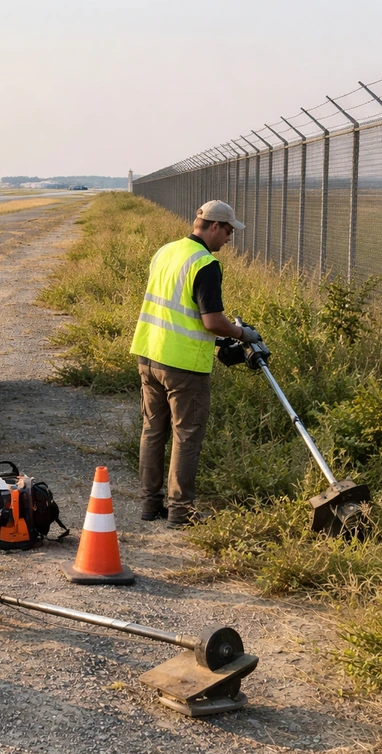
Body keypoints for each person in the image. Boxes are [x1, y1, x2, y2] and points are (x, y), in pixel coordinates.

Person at [129, 200, 260, 527]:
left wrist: (218, 338)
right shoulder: (205, 264)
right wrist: (242, 334)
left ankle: (149, 505)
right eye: (229, 231)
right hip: (183, 366)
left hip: (148, 353)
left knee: (153, 430)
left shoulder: (166, 251)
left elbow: (176, 310)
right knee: (186, 436)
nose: (230, 239)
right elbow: (212, 320)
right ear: (214, 226)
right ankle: (181, 511)